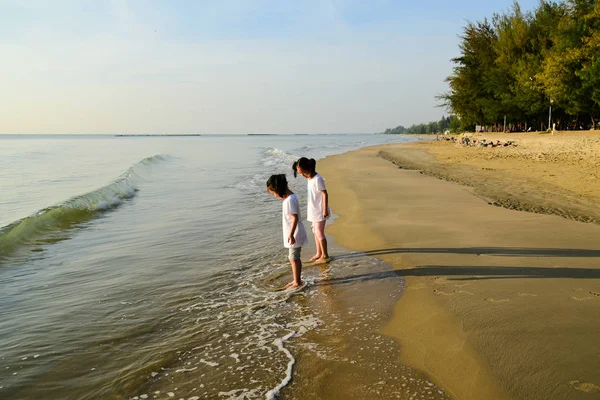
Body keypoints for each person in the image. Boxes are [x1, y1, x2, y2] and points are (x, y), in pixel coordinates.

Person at [267, 174, 308, 288]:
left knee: (294, 258)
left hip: (294, 233)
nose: (275, 196)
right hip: (294, 232)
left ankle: (297, 281)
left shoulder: (289, 200)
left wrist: (291, 234)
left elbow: (294, 218)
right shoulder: (291, 198)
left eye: (273, 193)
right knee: (293, 258)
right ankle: (297, 280)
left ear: (278, 189)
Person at [293, 157, 330, 263]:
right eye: (300, 173)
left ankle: (325, 255)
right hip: (313, 209)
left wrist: (324, 209)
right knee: (315, 231)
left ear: (308, 169)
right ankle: (319, 253)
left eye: (302, 172)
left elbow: (324, 193)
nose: (302, 175)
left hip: (320, 209)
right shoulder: (310, 179)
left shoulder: (318, 179)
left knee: (319, 232)